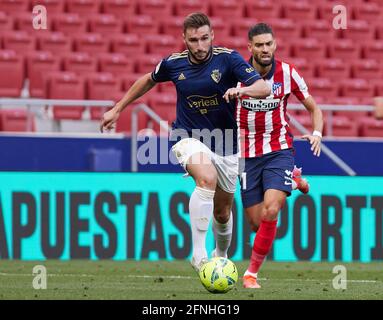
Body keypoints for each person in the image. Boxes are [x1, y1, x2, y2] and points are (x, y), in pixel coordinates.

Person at [100, 13, 271, 271]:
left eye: (205, 38)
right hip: (187, 137)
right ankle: (199, 254)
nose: (200, 46)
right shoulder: (174, 64)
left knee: (223, 212)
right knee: (206, 178)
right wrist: (117, 108)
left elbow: (264, 88)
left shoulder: (228, 58)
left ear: (212, 35)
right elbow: (148, 79)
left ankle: (220, 255)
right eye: (194, 40)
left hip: (226, 142)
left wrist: (242, 90)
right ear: (184, 39)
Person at [236, 23, 324, 288]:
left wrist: (316, 133)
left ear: (275, 45)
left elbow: (313, 107)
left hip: (279, 149)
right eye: (259, 45)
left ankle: (251, 273)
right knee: (255, 223)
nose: (265, 49)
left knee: (272, 209)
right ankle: (294, 180)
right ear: (250, 47)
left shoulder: (288, 73)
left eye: (269, 44)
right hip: (246, 154)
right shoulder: (236, 74)